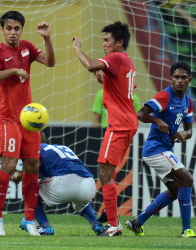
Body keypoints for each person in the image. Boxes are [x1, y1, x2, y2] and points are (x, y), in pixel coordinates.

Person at [0, 10, 55, 236]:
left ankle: (29, 219)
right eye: (8, 29)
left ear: (21, 30)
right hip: (7, 117)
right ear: (2, 30)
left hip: (28, 119)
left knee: (32, 166)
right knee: (10, 166)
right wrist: (12, 70)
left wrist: (46, 38)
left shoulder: (28, 47)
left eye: (16, 29)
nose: (12, 33)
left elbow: (50, 62)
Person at [72, 21, 138, 237]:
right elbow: (105, 79)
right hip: (126, 122)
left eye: (107, 40)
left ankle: (114, 224)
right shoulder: (127, 61)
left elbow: (92, 66)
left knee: (105, 173)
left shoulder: (116, 57)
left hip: (119, 124)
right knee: (105, 172)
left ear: (119, 42)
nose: (104, 44)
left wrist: (77, 50)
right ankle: (113, 222)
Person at [126, 62, 194, 238]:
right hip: (155, 149)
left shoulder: (188, 101)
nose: (179, 81)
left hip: (164, 149)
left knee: (176, 191)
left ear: (189, 80)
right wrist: (158, 121)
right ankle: (187, 229)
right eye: (176, 77)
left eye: (183, 77)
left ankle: (137, 222)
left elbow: (189, 130)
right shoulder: (165, 96)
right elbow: (140, 114)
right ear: (170, 79)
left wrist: (183, 134)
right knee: (187, 179)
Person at [12, 132, 105, 236]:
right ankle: (96, 224)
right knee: (78, 200)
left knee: (29, 186)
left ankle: (45, 227)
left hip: (64, 183)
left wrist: (19, 175)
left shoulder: (34, 148)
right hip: (89, 183)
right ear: (48, 142)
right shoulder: (62, 147)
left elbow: (33, 168)